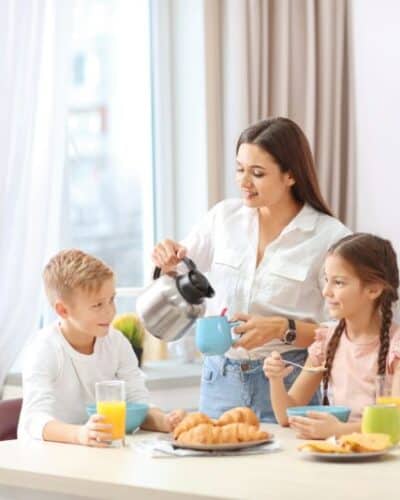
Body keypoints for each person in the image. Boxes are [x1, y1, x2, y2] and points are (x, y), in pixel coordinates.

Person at [151, 117, 350, 422]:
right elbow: (178, 271)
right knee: (213, 464)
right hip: (220, 379)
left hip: (287, 381)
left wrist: (283, 328)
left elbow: (345, 331)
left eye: (257, 173)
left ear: (290, 176)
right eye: (240, 169)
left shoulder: (329, 237)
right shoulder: (223, 218)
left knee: (283, 470)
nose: (244, 182)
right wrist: (165, 260)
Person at [18, 249, 185, 445]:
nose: (110, 312)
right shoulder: (44, 348)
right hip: (47, 458)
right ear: (63, 310)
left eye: (112, 299)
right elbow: (34, 420)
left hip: (97, 452)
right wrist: (80, 434)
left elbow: (138, 403)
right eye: (97, 305)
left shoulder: (116, 342)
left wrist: (165, 421)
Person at [264, 233, 400, 438]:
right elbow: (285, 416)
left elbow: (395, 422)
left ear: (373, 289)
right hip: (339, 455)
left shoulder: (395, 346)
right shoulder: (327, 341)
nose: (326, 291)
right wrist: (275, 379)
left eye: (338, 282)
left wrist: (339, 430)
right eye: (326, 280)